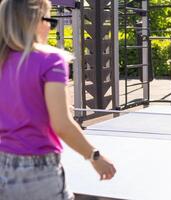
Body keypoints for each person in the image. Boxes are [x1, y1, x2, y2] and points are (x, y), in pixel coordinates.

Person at [0, 1, 116, 200]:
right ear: (36, 21)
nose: (50, 28)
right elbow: (61, 124)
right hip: (37, 170)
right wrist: (95, 156)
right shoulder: (51, 60)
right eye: (49, 21)